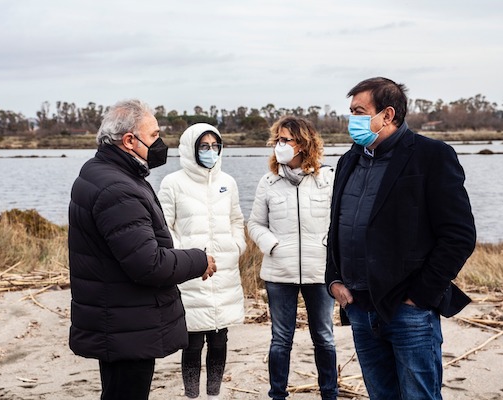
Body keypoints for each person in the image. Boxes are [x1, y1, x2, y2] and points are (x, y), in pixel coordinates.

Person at [325, 77, 476, 400]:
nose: (351, 119)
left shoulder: (431, 156)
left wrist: (421, 295)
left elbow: (459, 235)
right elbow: (337, 225)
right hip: (359, 305)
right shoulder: (348, 160)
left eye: (359, 111)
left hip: (408, 310)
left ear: (388, 115)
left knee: (418, 396)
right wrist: (333, 279)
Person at [68, 99, 217, 400]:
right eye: (154, 136)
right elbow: (148, 263)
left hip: (117, 316)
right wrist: (199, 260)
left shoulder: (103, 172)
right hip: (126, 320)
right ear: (128, 140)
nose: (160, 143)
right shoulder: (117, 188)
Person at [247, 116, 338, 400]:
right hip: (279, 273)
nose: (279, 145)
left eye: (286, 139)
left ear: (303, 143)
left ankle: (329, 394)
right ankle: (277, 395)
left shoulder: (327, 179)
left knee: (324, 337)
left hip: (319, 272)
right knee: (280, 340)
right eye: (277, 140)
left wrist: (326, 246)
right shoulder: (269, 182)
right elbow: (255, 224)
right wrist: (273, 245)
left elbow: (339, 221)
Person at [158, 123, 246, 400]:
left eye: (214, 146)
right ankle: (192, 394)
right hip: (190, 272)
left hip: (224, 270)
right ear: (190, 148)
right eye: (204, 146)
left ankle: (214, 394)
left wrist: (237, 246)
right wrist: (184, 256)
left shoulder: (227, 182)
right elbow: (163, 227)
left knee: (220, 337)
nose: (210, 151)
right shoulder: (173, 183)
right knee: (193, 338)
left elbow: (236, 220)